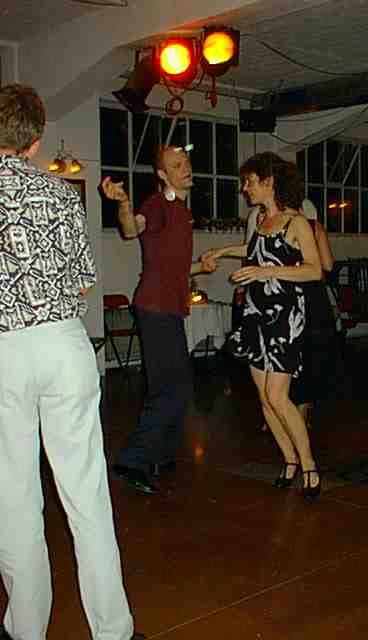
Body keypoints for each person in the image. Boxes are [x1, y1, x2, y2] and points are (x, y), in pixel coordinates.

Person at [0, 84, 143, 640]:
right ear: (36, 141)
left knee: (14, 499)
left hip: (5, 351)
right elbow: (83, 284)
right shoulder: (61, 194)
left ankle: (26, 628)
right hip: (64, 346)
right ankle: (113, 629)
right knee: (87, 497)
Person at [202, 152, 322, 498]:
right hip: (255, 314)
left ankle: (309, 464)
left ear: (269, 182)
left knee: (277, 395)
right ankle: (289, 461)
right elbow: (254, 247)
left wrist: (266, 271)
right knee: (264, 399)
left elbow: (314, 270)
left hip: (285, 316)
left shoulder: (296, 222)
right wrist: (222, 251)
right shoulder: (259, 217)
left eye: (250, 181)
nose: (245, 188)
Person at [101, 145, 215, 495]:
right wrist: (123, 203)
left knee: (177, 385)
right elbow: (131, 229)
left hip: (169, 308)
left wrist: (200, 268)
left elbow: (172, 265)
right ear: (163, 174)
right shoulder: (157, 204)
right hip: (155, 308)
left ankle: (161, 455)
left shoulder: (181, 210)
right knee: (170, 389)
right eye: (176, 165)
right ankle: (132, 461)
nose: (186, 168)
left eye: (187, 162)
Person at [290, 203, 338, 428]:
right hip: (313, 294)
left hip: (289, 291)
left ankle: (284, 409)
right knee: (311, 352)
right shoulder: (313, 226)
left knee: (290, 351)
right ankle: (302, 411)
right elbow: (327, 264)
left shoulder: (276, 226)